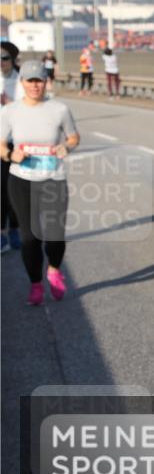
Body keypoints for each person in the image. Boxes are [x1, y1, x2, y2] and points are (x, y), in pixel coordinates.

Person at [0, 61, 80, 305]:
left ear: (46, 81)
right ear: (22, 82)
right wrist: (9, 154)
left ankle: (54, 270)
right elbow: (1, 144)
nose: (35, 85)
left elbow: (74, 137)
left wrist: (65, 147)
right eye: (30, 80)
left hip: (53, 179)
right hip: (21, 180)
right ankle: (35, 284)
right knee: (30, 238)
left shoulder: (59, 109)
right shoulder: (10, 111)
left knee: (55, 236)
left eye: (39, 80)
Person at [1, 42, 23, 253]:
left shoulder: (23, 82)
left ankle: (15, 228)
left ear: (13, 59)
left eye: (5, 58)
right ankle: (1, 234)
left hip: (16, 142)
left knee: (14, 189)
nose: (1, 62)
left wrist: (9, 105)